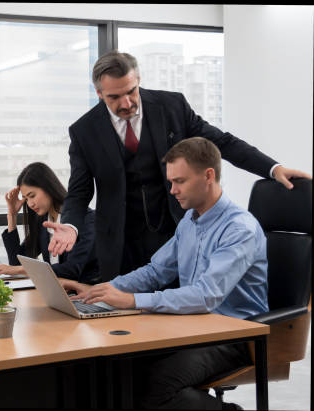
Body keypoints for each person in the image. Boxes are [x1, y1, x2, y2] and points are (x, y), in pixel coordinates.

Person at [45, 50, 311, 281]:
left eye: (131, 92)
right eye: (115, 97)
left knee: (176, 312)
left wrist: (273, 169)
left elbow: (223, 142)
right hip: (119, 243)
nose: (126, 103)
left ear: (138, 81)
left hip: (175, 232)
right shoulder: (84, 130)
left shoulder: (171, 106)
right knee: (126, 317)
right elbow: (79, 192)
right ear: (99, 92)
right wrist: (72, 226)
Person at [59, 137, 268, 409]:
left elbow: (206, 296)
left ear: (208, 176)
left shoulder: (239, 229)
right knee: (113, 368)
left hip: (233, 337)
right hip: (192, 327)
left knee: (155, 386)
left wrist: (133, 301)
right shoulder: (189, 223)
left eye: (179, 181)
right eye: (171, 182)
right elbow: (156, 270)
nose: (172, 190)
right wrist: (104, 290)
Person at [0, 162, 100, 284]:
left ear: (48, 187)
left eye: (32, 196)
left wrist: (18, 269)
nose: (30, 204)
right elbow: (17, 263)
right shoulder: (44, 220)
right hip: (58, 291)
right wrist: (12, 215)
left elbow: (72, 270)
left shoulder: (85, 219)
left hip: (86, 295)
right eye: (26, 199)